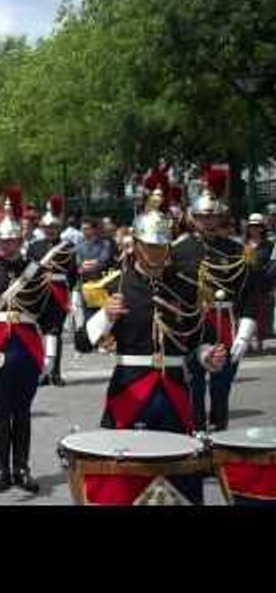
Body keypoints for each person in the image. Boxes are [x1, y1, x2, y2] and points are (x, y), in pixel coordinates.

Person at [75, 180, 225, 504]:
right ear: (137, 245)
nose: (157, 253)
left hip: (174, 388)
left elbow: (198, 339)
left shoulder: (184, 285)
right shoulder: (116, 283)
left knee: (180, 470)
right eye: (151, 246)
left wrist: (207, 356)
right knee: (129, 471)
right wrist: (105, 316)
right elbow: (81, 343)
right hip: (130, 388)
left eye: (163, 246)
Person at [0, 186, 66, 494]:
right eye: (1, 241)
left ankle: (22, 468)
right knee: (0, 410)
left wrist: (50, 353)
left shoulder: (35, 273)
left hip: (27, 347)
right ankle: (1, 471)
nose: (6, 245)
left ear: (20, 241)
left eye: (11, 240)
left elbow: (51, 316)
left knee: (22, 410)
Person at [173, 166, 261, 433]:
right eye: (202, 216)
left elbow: (249, 295)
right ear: (193, 217)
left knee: (221, 390)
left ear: (221, 216)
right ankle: (198, 440)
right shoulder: (179, 250)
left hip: (226, 324)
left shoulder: (238, 251)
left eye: (212, 216)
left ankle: (220, 438)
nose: (208, 222)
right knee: (194, 388)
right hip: (193, 326)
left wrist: (244, 335)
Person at [28, 195, 77, 387]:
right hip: (39, 293)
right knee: (40, 333)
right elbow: (29, 271)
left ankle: (55, 372)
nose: (50, 231)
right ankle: (42, 371)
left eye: (53, 228)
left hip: (58, 293)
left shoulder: (67, 247)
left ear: (59, 229)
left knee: (55, 332)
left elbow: (72, 273)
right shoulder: (34, 247)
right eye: (47, 228)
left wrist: (67, 292)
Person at [245, 213, 273, 348]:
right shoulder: (243, 244)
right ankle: (248, 340)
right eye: (251, 226)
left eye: (257, 226)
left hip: (263, 284)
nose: (254, 229)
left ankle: (260, 340)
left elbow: (273, 265)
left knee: (261, 312)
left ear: (262, 228)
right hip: (245, 284)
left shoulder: (270, 245)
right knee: (246, 312)